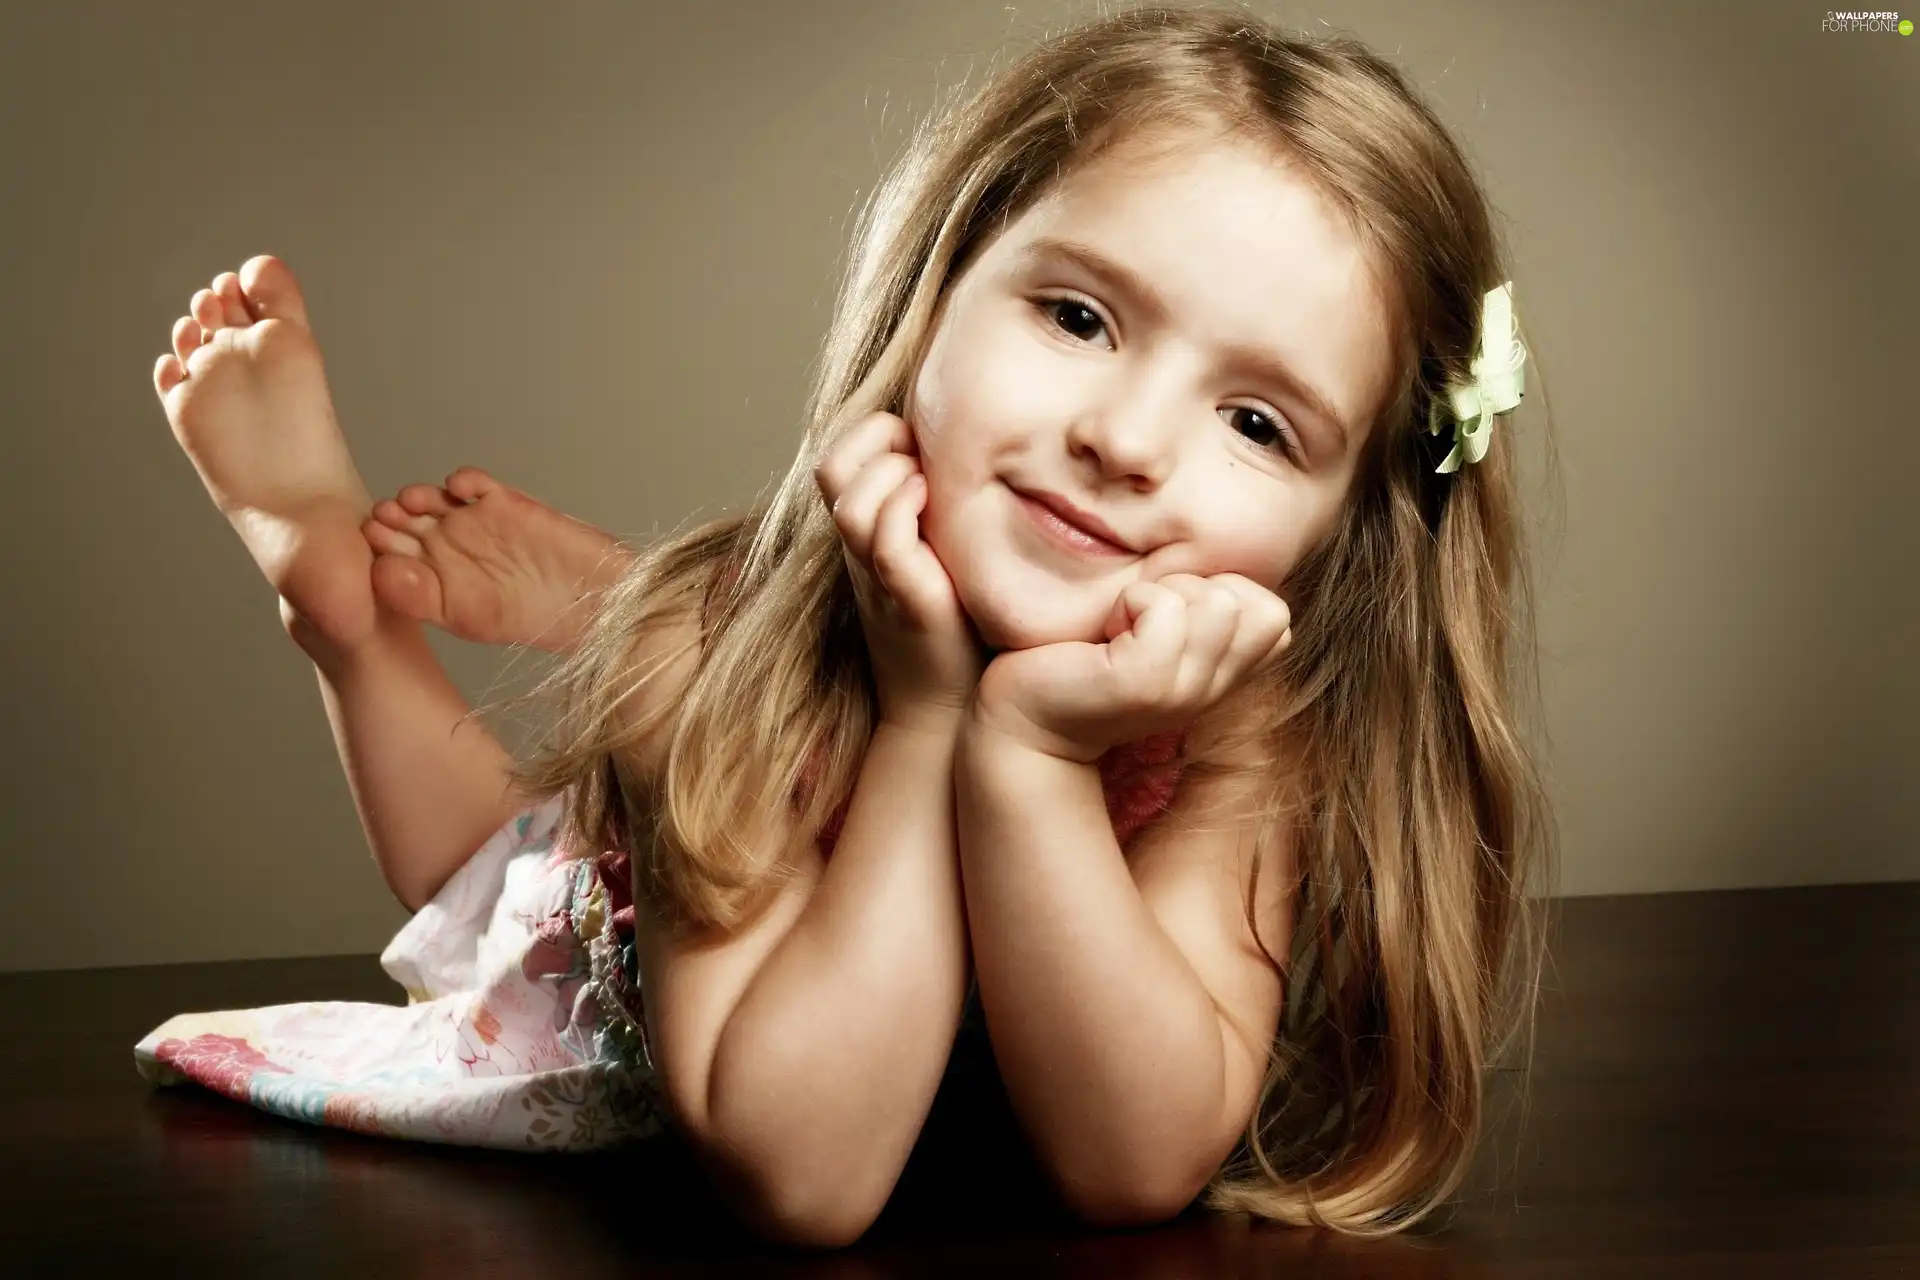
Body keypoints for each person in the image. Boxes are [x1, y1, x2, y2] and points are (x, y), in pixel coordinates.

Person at [137, 3, 1556, 1249]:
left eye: (1256, 423)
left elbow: (1131, 1162)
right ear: (934, 291)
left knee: (659, 675)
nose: (1126, 440)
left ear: (1342, 534)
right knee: (495, 872)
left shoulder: (1245, 733)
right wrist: (925, 711)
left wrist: (1030, 753)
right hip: (615, 956)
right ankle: (341, 608)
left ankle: (594, 586)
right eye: (1077, 317)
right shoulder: (706, 655)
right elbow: (803, 1175)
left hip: (795, 713)